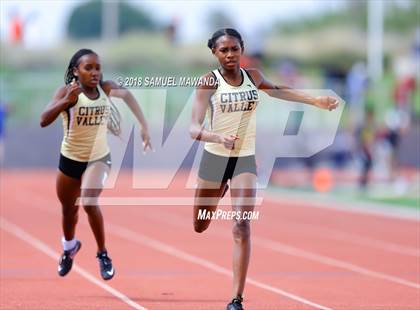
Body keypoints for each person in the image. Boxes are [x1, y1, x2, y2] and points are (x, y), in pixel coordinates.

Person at [189, 28, 339, 310]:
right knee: (200, 224)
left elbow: (279, 91)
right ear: (214, 53)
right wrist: (217, 137)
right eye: (224, 50)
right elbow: (192, 128)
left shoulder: (253, 77)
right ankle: (218, 190)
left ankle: (236, 299)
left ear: (241, 49)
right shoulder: (208, 81)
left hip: (244, 159)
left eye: (235, 49)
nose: (230, 55)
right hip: (215, 158)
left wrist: (315, 101)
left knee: (242, 225)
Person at [40, 49, 152, 280]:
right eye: (88, 68)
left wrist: (143, 125)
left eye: (97, 68)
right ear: (75, 71)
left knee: (90, 201)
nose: (94, 73)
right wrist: (65, 101)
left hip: (99, 158)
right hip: (70, 159)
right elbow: (43, 120)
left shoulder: (106, 88)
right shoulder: (67, 92)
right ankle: (69, 247)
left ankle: (102, 254)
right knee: (69, 211)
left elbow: (128, 95)